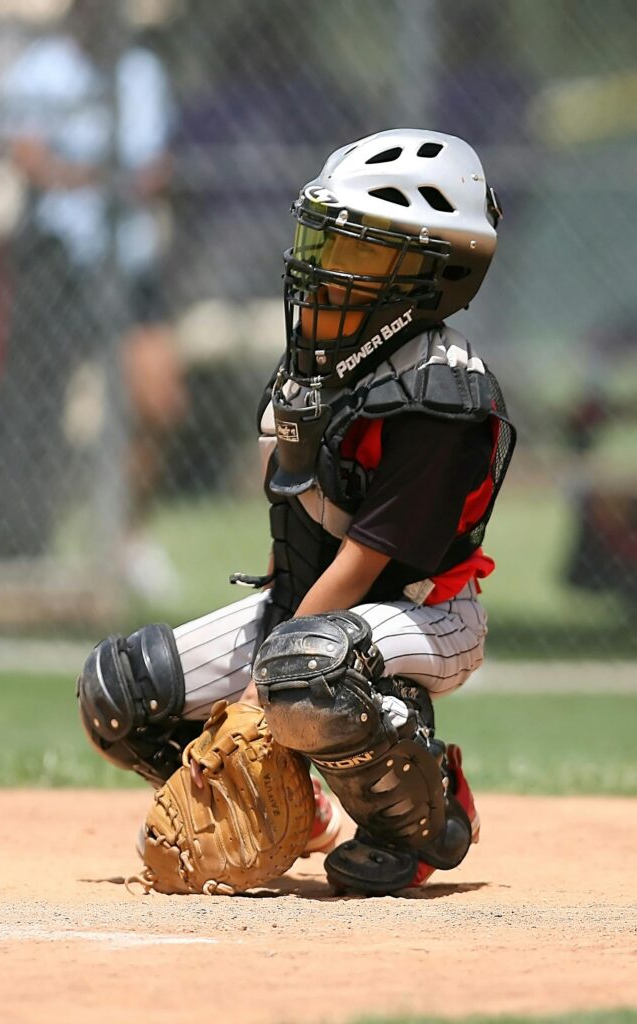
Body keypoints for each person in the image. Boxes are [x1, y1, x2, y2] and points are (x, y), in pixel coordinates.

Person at [77, 128, 516, 893]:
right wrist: (266, 670)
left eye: (361, 254)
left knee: (302, 666)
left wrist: (256, 691)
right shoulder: (320, 359)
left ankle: (427, 818)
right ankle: (294, 800)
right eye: (327, 243)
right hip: (313, 607)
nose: (326, 269)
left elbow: (364, 564)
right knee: (120, 693)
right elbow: (297, 530)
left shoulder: (439, 395)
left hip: (429, 612)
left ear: (432, 271)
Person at [0, 0, 187, 598]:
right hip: (58, 260)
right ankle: (28, 540)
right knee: (35, 415)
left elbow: (155, 165)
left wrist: (108, 177)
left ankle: (125, 538)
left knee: (160, 399)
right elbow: (27, 156)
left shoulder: (141, 70)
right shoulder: (39, 69)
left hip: (128, 261)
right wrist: (97, 178)